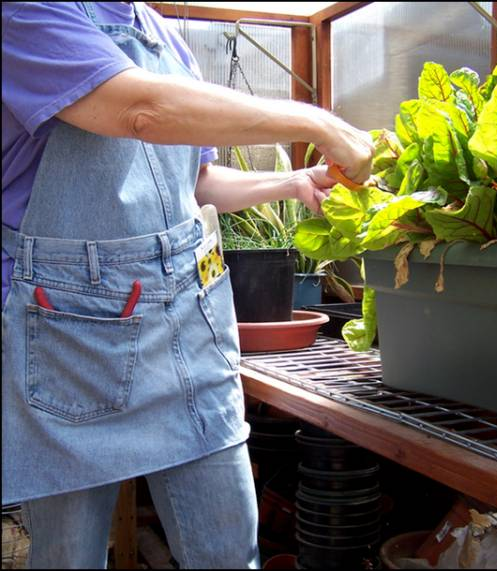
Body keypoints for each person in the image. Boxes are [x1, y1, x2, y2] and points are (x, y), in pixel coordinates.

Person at [1, 2, 373, 569]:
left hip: (187, 324)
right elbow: (139, 110)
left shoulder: (159, 35)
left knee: (228, 549)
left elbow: (195, 180)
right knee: (68, 555)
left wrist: (294, 181)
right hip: (73, 325)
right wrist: (318, 122)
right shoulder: (29, 13)